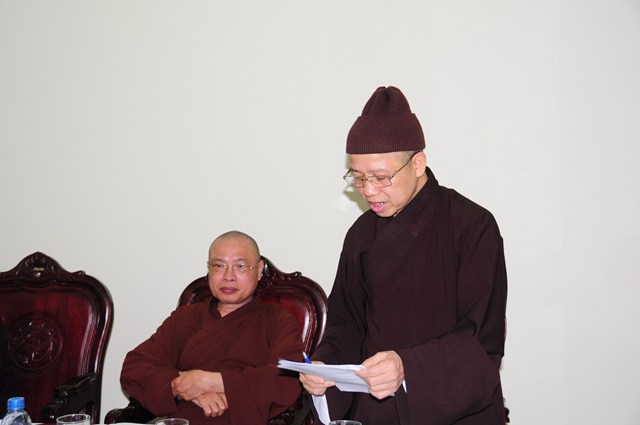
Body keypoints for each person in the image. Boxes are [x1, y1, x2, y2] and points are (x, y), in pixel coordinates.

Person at [299, 86, 508, 425]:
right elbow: (347, 324)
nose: (369, 191)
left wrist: (407, 367)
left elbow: (480, 339)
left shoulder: (471, 226)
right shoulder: (361, 235)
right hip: (375, 408)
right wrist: (325, 367)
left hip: (454, 412)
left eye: (381, 177)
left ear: (418, 164)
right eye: (358, 178)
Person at [120, 231, 304, 425]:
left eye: (240, 266)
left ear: (258, 271)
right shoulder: (185, 318)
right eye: (219, 266)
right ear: (209, 269)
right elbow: (135, 367)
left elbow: (287, 376)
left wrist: (212, 382)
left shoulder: (276, 319)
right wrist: (187, 387)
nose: (228, 277)